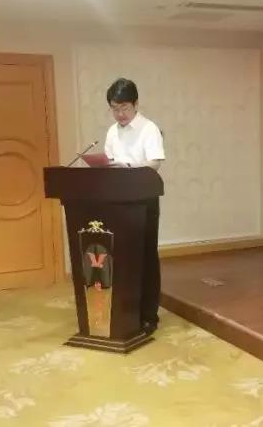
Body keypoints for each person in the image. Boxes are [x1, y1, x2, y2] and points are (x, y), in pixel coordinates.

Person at [103, 78, 165, 334]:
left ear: (136, 104)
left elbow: (155, 163)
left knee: (145, 256)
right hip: (118, 201)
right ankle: (126, 311)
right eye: (115, 108)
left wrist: (128, 166)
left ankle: (149, 315)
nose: (120, 114)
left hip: (143, 199)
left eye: (124, 108)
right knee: (122, 258)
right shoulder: (111, 132)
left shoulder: (149, 129)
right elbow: (108, 162)